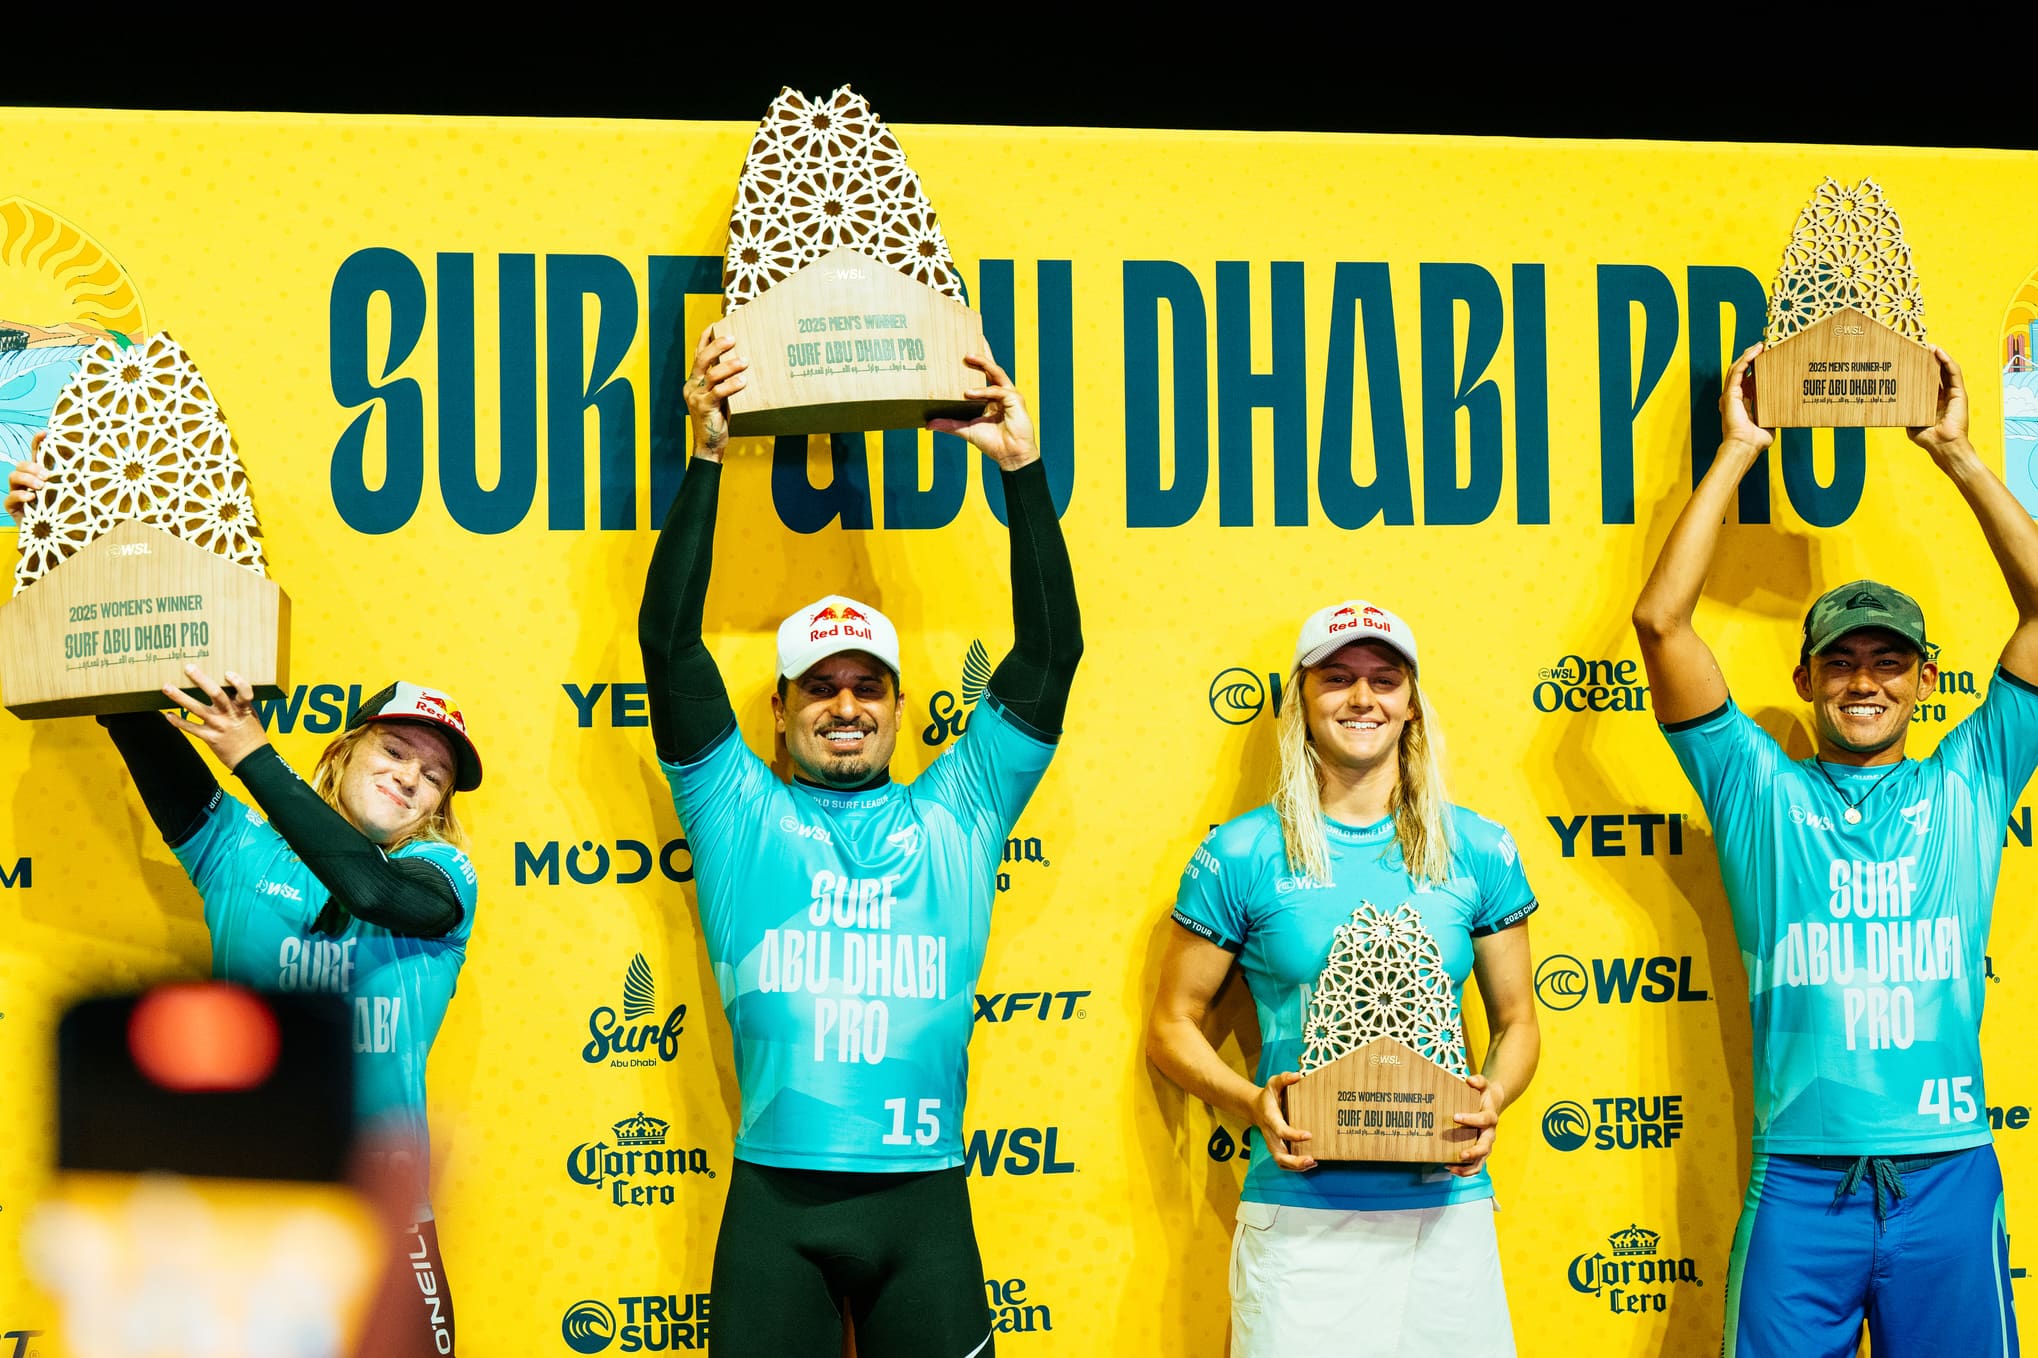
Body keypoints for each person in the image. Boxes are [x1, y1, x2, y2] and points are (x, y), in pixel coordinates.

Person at [640, 331, 1080, 1357]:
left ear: (898, 704)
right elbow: (667, 644)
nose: (846, 705)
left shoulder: (961, 806)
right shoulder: (734, 806)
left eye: (867, 685)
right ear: (780, 709)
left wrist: (1021, 470)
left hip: (923, 1208)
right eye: (821, 688)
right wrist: (706, 454)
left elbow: (1051, 651)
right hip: (773, 1208)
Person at [12, 444, 480, 1356]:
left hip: (385, 1215)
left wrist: (252, 754)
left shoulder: (443, 879)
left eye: (433, 778)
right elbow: (122, 700)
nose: (410, 779)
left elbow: (368, 888)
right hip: (243, 1220)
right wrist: (63, 540)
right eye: (394, 752)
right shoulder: (235, 847)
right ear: (345, 752)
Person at [1632, 344, 2033, 1356]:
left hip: (1947, 1172)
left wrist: (1959, 455)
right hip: (1800, 1185)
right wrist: (1738, 449)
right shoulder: (1757, 790)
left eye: (1888, 662)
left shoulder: (1972, 777)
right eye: (1841, 661)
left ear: (1925, 680)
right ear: (1806, 680)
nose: (1864, 681)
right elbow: (1659, 622)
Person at [1146, 601, 1539, 1358]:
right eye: (1337, 678)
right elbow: (1171, 1025)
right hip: (1299, 1217)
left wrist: (1492, 1097)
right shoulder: (1241, 852)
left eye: (1384, 680)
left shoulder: (1480, 847)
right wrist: (1252, 1102)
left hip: (1445, 1215)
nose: (1363, 698)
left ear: (1411, 703)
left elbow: (1518, 1020)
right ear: (1300, 698)